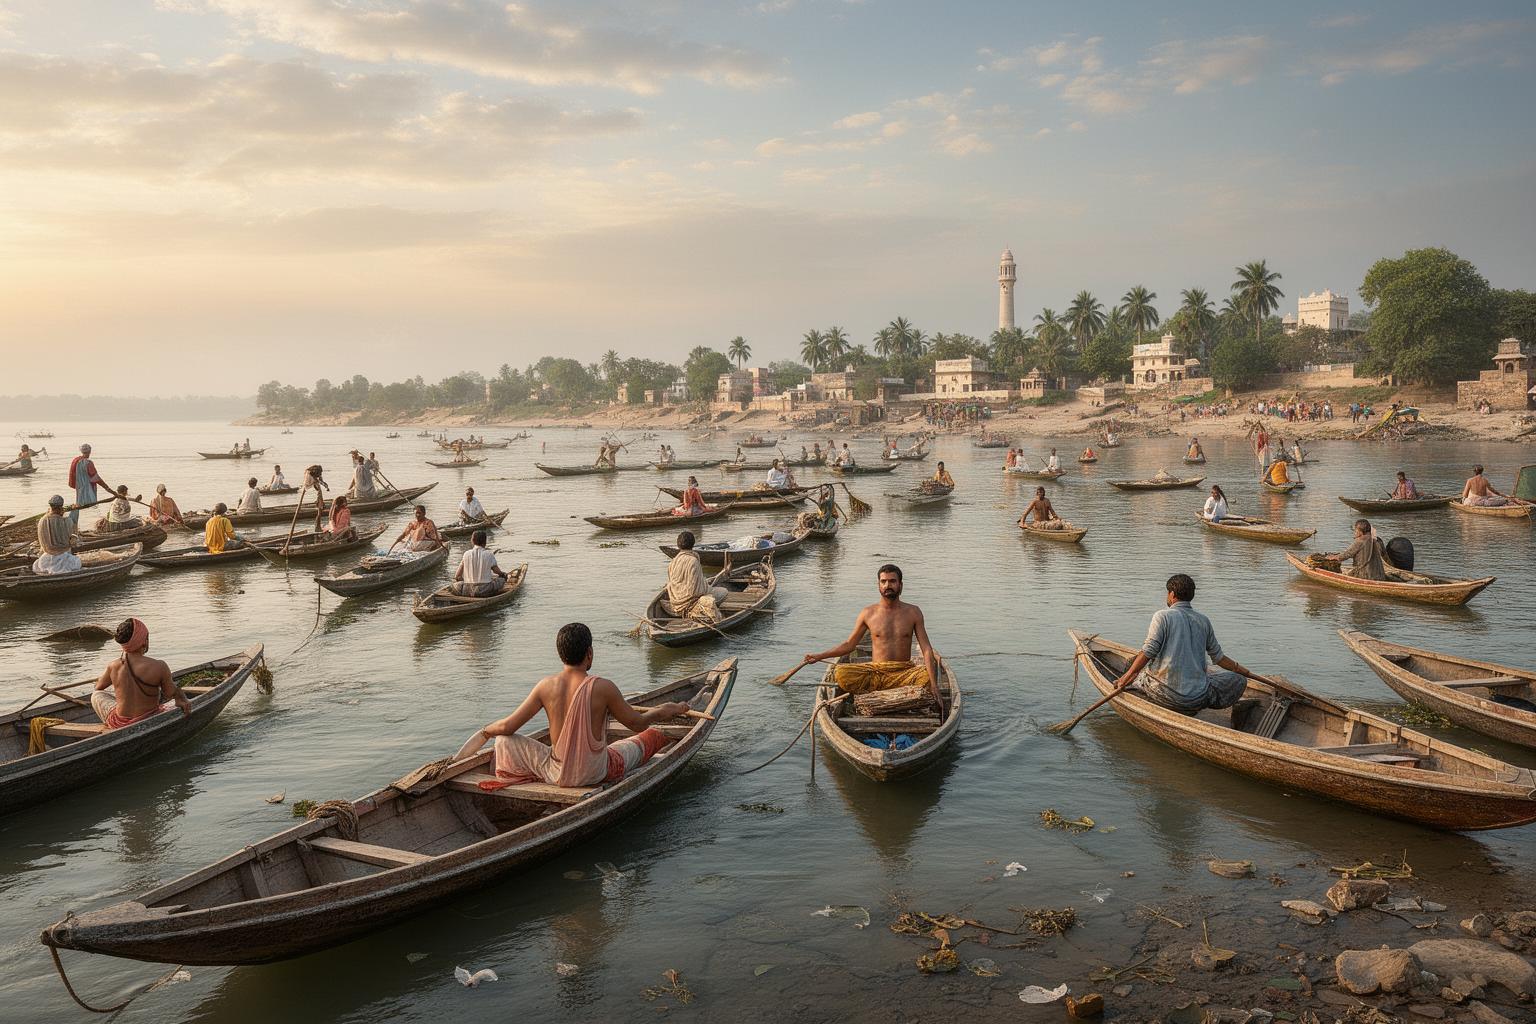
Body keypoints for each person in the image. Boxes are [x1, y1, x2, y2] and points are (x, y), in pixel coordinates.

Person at [452, 623, 685, 788]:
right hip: (595, 773)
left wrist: (485, 732)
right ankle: (659, 737)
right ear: (590, 654)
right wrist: (665, 710)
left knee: (502, 740)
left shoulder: (546, 686)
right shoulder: (603, 687)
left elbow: (507, 727)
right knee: (648, 738)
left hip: (556, 774)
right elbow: (637, 724)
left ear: (560, 654)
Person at [1109, 574, 1260, 714]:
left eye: (1167, 593)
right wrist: (1243, 672)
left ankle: (1152, 692)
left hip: (1164, 694)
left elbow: (1148, 651)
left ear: (1172, 594)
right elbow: (1219, 658)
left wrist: (1126, 678)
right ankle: (1193, 700)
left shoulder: (1162, 616)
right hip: (1197, 698)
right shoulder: (1203, 620)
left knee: (1135, 668)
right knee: (1239, 680)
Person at [802, 564, 942, 707]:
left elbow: (926, 649)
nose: (888, 585)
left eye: (892, 581)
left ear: (900, 585)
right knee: (841, 673)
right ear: (878, 585)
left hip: (902, 672)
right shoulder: (868, 613)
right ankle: (893, 696)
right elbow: (849, 645)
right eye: (883, 581)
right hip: (875, 673)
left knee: (927, 676)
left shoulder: (913, 612)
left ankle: (881, 695)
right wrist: (819, 656)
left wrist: (934, 685)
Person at [91, 618, 191, 731]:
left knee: (96, 694)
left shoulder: (113, 666)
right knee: (171, 702)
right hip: (149, 718)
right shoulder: (159, 666)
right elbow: (169, 693)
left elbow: (98, 687)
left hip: (119, 723)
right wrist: (181, 697)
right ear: (143, 641)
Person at [666, 531, 731, 621]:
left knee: (709, 588)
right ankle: (705, 611)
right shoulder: (693, 561)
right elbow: (695, 592)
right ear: (693, 544)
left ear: (678, 545)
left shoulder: (673, 562)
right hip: (690, 603)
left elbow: (672, 583)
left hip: (676, 601)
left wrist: (703, 583)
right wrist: (706, 587)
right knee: (724, 592)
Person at [32, 496, 81, 575]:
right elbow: (73, 525)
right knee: (77, 562)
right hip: (63, 558)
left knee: (38, 565)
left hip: (45, 561)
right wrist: (75, 510)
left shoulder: (42, 520)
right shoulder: (65, 521)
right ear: (61, 507)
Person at [66, 443, 110, 530]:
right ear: (89, 451)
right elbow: (95, 477)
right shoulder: (88, 463)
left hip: (79, 487)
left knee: (79, 505)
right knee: (88, 505)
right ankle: (80, 527)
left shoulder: (75, 460)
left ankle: (75, 526)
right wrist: (106, 487)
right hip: (87, 488)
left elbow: (72, 475)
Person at [452, 529, 508, 596]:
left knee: (456, 585)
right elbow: (497, 571)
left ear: (472, 541)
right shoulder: (489, 554)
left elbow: (457, 576)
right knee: (502, 579)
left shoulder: (466, 554)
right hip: (485, 589)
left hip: (467, 590)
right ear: (485, 542)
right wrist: (503, 575)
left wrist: (464, 581)